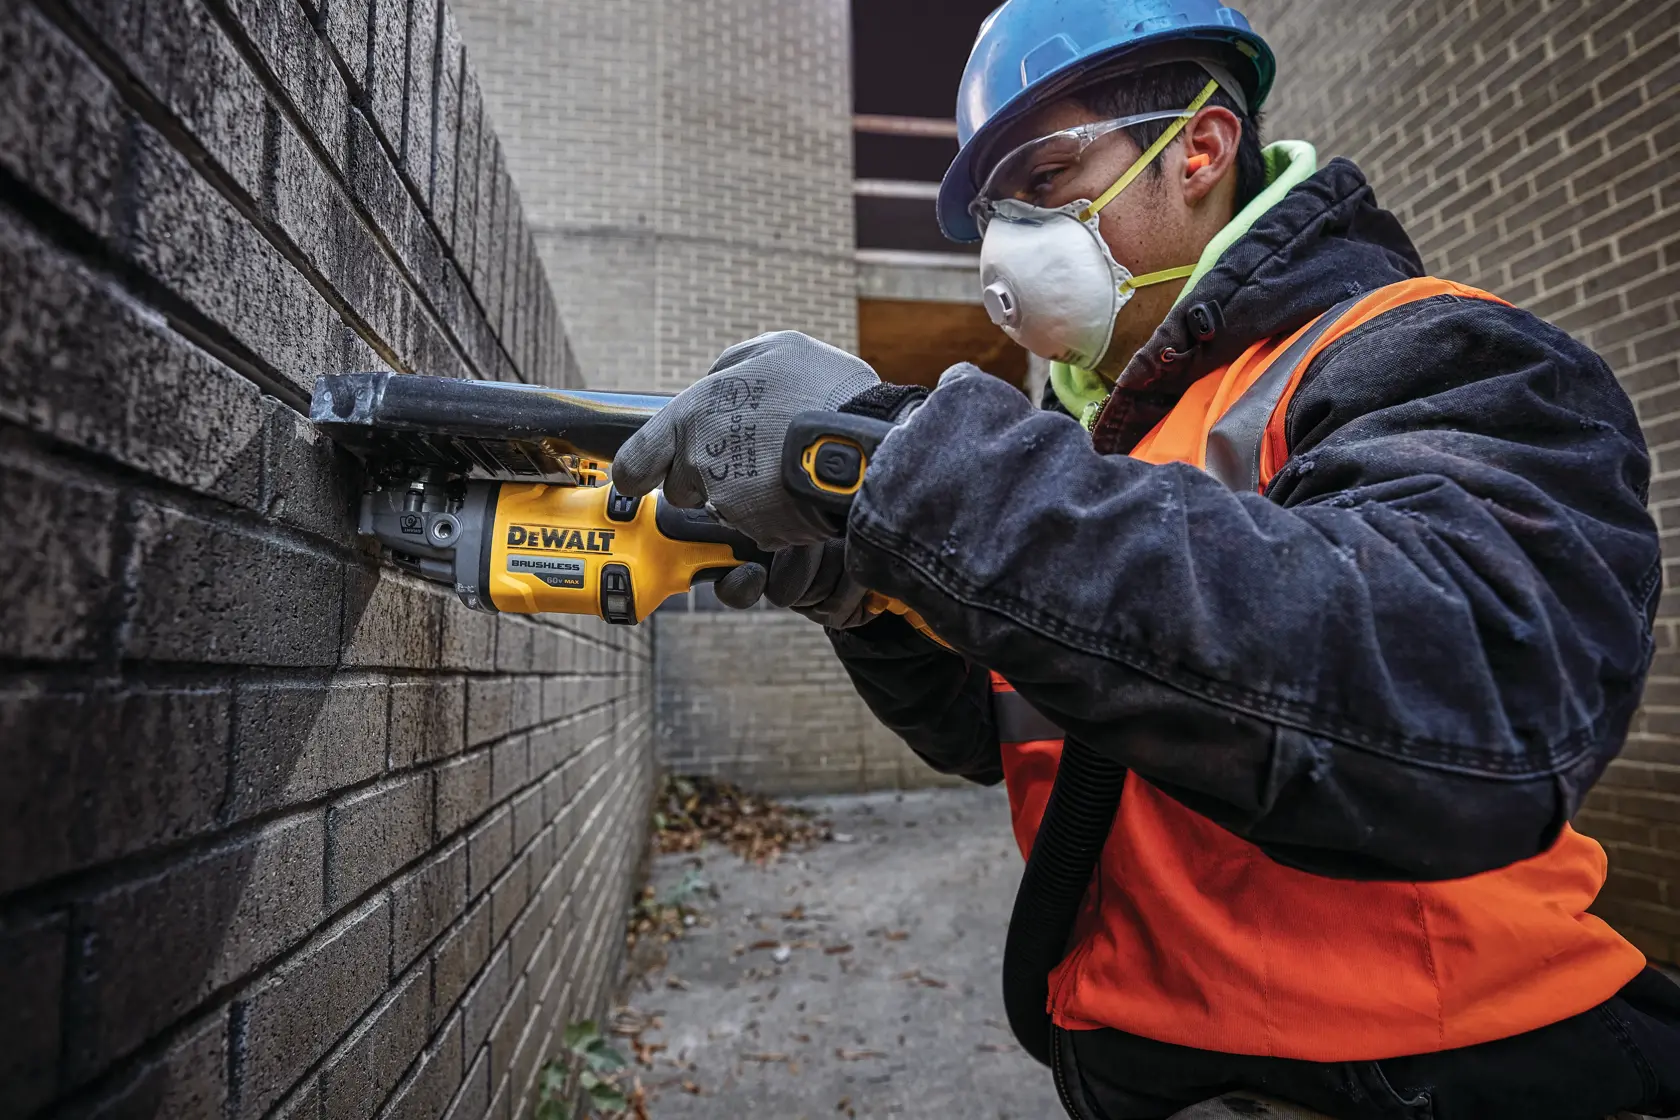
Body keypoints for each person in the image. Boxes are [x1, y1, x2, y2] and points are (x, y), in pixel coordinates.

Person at [610, 2, 1679, 1117]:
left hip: (1436, 1066)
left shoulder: (1430, 352)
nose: (1008, 241)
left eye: (1045, 175)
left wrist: (904, 463)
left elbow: (1469, 702)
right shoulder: (1101, 446)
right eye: (992, 210)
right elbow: (1023, 737)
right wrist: (873, 602)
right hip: (1157, 1068)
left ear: (1202, 151)